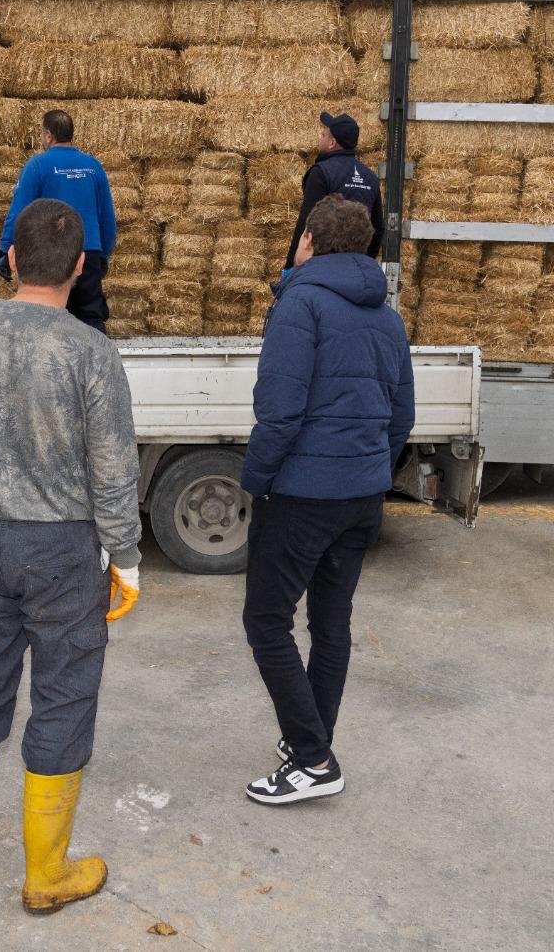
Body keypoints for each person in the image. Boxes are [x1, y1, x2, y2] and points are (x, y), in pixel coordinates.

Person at [0, 197, 141, 915]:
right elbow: (113, 467)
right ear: (80, 267)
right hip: (61, 550)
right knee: (63, 693)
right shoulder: (91, 352)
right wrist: (126, 555)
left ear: (10, 257)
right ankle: (45, 874)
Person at [241, 194, 414, 806]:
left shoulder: (301, 304)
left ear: (308, 241)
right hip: (361, 496)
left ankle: (313, 758)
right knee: (329, 623)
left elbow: (279, 411)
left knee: (265, 620)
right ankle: (311, 741)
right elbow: (402, 417)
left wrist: (254, 478)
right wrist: (369, 469)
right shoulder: (388, 317)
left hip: (303, 495)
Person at [0, 109, 119, 333]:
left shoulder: (38, 165)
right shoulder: (93, 166)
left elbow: (19, 211)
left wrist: (5, 249)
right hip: (86, 252)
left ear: (48, 135)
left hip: (49, 253)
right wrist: (102, 253)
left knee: (46, 317)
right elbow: (107, 216)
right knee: (90, 317)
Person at [282, 111, 384, 270]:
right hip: (356, 266)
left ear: (332, 143)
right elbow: (377, 229)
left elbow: (307, 223)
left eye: (323, 135)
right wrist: (363, 260)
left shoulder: (321, 173)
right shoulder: (370, 176)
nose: (320, 137)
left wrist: (290, 268)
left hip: (323, 266)